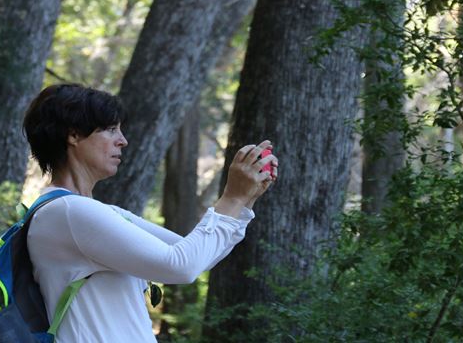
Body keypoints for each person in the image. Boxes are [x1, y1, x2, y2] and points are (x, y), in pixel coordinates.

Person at [22, 83, 278, 342]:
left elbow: (196, 254)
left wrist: (246, 199)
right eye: (111, 130)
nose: (123, 140)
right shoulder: (69, 212)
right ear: (73, 135)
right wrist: (232, 197)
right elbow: (182, 266)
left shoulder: (92, 210)